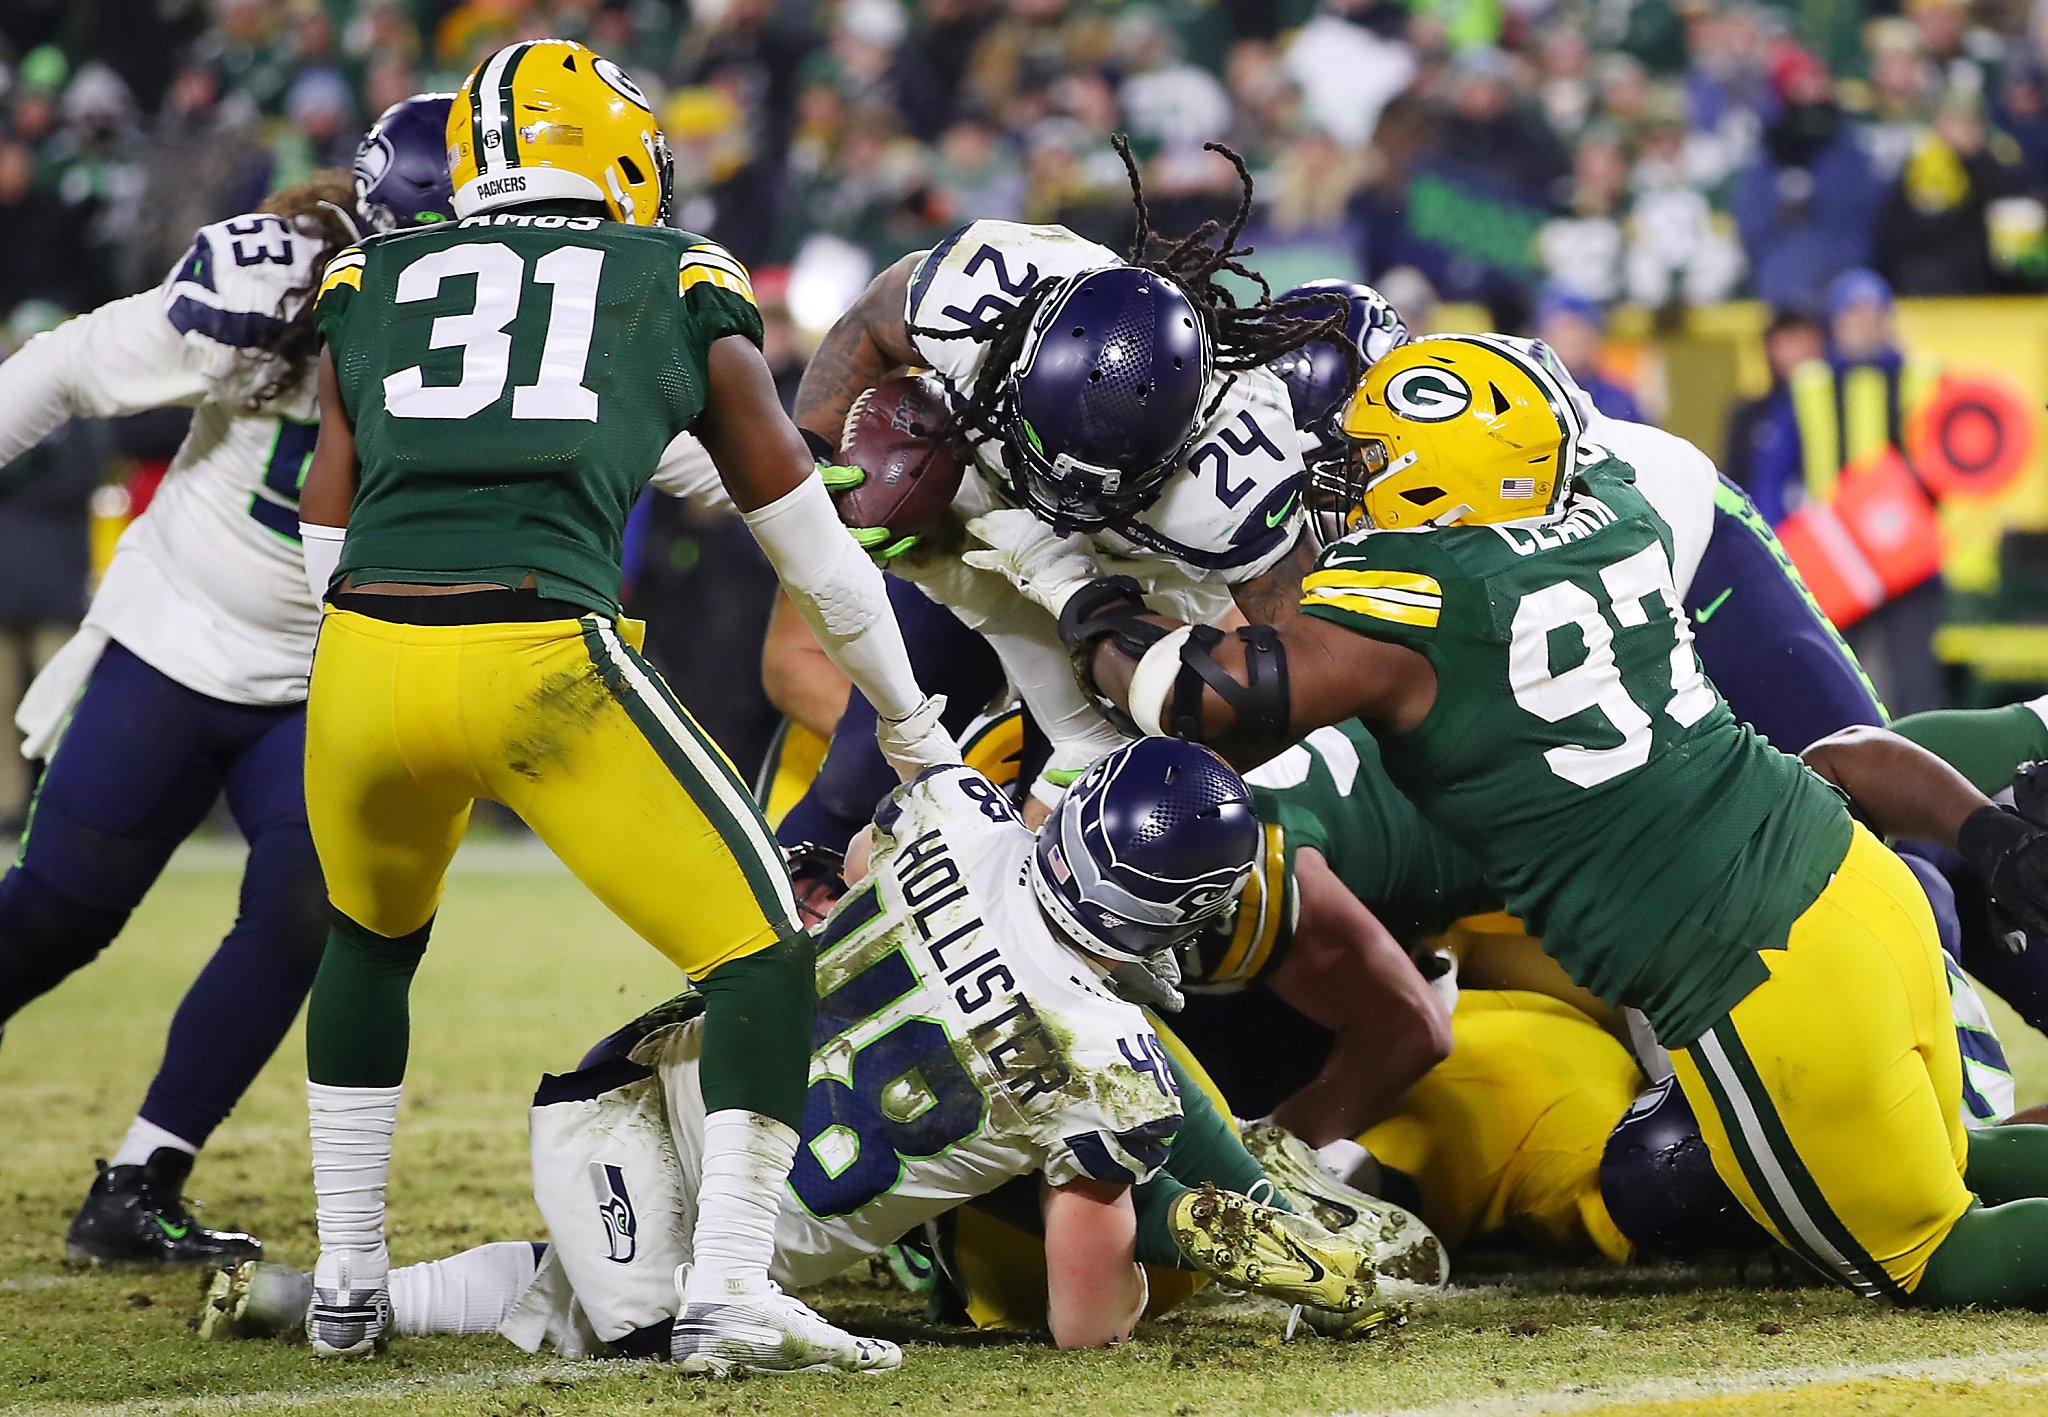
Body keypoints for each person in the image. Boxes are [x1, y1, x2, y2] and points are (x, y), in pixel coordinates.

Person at [970, 334, 2048, 1309]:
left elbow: (1194, 700)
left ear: (1446, 478)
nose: (1348, 485)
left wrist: (1068, 585)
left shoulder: (1420, 609)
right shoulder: (1616, 513)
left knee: (1925, 1252)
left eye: (1372, 461)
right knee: (1956, 1150)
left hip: (1747, 972)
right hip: (1856, 884)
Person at [296, 39, 951, 1371]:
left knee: (366, 943)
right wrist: (912, 725)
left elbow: (327, 518)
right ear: (610, 150)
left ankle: (347, 1283)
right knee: (767, 952)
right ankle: (727, 1288)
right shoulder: (679, 275)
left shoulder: (372, 276)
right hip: (537, 651)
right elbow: (812, 550)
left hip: (363, 660)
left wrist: (369, 651)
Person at [199, 745, 1436, 1353]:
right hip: (727, 1252)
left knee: (568, 1280)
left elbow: (851, 868)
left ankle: (310, 1299)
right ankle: (1239, 1205)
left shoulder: (963, 815)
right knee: (639, 1322)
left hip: (613, 1099)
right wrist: (1164, 1250)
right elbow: (1079, 1322)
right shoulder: (1110, 1058)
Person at [0, 94, 456, 1268]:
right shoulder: (274, 276)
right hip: (181, 634)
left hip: (329, 669)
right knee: (54, 917)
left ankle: (140, 1178)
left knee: (309, 904)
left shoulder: (527, 320)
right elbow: (62, 365)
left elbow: (685, 447)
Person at [773, 137, 1345, 884]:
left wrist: (1167, 701)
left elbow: (1290, 674)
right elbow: (871, 323)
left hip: (1123, 599)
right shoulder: (983, 294)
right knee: (858, 769)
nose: (1064, 502)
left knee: (1063, 846)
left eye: (1103, 481)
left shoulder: (1238, 468)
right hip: (972, 519)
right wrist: (816, 449)